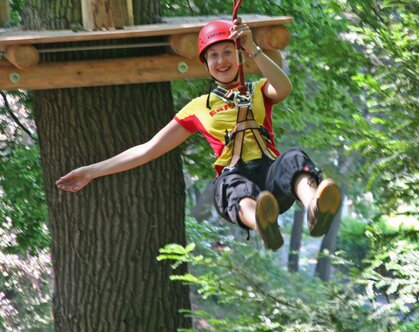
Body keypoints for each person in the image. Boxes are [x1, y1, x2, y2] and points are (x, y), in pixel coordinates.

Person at [56, 18, 341, 251]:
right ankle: (262, 223)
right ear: (206, 65)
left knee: (293, 158)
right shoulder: (197, 109)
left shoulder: (258, 90)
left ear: (239, 56)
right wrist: (92, 171)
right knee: (230, 187)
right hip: (237, 176)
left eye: (228, 52)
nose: (221, 60)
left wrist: (254, 48)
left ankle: (314, 206)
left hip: (270, 174)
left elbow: (284, 87)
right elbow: (148, 148)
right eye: (213, 56)